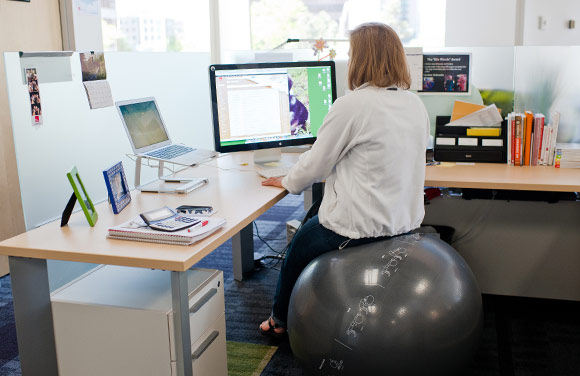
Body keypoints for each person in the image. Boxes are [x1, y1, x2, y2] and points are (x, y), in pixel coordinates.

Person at [259, 22, 430, 336]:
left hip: (361, 227)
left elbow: (316, 165)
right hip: (404, 220)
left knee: (298, 246)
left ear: (361, 60)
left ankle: (279, 320)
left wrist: (287, 181)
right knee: (315, 212)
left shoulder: (353, 104)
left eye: (352, 54)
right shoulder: (414, 103)